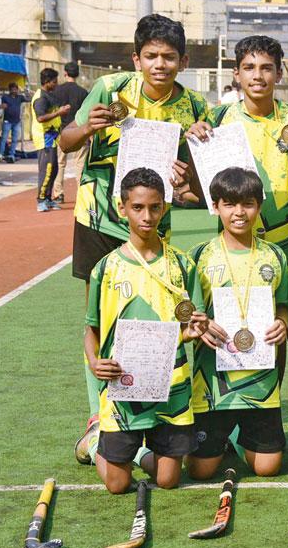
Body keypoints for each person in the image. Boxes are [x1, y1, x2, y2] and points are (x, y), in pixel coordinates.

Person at [63, 13, 206, 465]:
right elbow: (66, 142)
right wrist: (88, 127)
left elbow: (198, 185)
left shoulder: (192, 107)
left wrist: (188, 171)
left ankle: (148, 412)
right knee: (103, 319)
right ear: (135, 58)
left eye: (168, 57)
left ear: (182, 61)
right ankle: (98, 417)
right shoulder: (109, 89)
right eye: (150, 56)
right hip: (99, 218)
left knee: (155, 317)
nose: (159, 65)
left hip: (153, 224)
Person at [84, 167, 209, 493]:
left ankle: (138, 453)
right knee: (117, 485)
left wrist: (193, 331)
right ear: (122, 209)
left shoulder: (183, 265)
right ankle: (98, 440)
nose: (147, 216)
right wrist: (96, 362)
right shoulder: (106, 268)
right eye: (137, 208)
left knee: (168, 481)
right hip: (122, 388)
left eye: (155, 207)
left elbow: (192, 321)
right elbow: (90, 329)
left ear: (164, 207)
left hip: (171, 387)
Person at [186, 167, 288, 478]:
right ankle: (225, 437)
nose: (239, 213)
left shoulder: (274, 256)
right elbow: (187, 311)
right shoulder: (199, 256)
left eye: (247, 203)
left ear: (259, 206)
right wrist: (199, 324)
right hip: (213, 386)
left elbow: (283, 304)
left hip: (261, 383)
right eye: (229, 204)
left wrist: (282, 323)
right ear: (215, 206)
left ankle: (234, 437)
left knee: (268, 468)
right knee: (200, 471)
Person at [191, 35, 288, 267]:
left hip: (285, 239)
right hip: (233, 239)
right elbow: (205, 194)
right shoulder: (217, 118)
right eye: (249, 68)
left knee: (281, 303)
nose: (257, 76)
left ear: (279, 73)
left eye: (266, 68)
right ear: (236, 74)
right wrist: (195, 145)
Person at [50, 62, 89, 203]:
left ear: (65, 73)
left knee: (60, 164)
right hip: (79, 132)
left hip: (62, 132)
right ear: (77, 74)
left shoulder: (56, 91)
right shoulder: (83, 92)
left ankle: (58, 193)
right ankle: (81, 195)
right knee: (80, 165)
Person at [32, 68, 68, 210]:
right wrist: (59, 112)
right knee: (47, 169)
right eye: (54, 81)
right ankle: (41, 199)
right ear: (47, 82)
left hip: (52, 136)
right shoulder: (41, 97)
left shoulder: (50, 95)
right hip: (44, 137)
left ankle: (48, 198)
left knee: (54, 168)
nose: (56, 84)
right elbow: (40, 118)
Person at [0, 82, 26, 163]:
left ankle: (12, 154)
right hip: (7, 121)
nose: (14, 91)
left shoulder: (20, 97)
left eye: (16, 89)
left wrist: (24, 91)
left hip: (16, 121)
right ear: (9, 90)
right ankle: (1, 155)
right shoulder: (5, 97)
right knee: (4, 139)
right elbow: (0, 104)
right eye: (13, 89)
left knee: (15, 139)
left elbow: (30, 98)